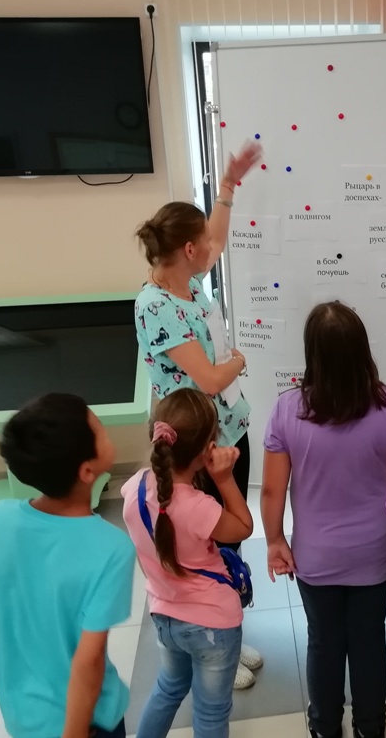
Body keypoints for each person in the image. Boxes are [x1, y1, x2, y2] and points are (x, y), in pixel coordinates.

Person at [134, 141, 263, 689]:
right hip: (195, 443)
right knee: (205, 543)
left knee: (228, 539)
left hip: (226, 429)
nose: (212, 247)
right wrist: (238, 360)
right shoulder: (156, 305)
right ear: (187, 249)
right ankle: (213, 642)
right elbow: (209, 379)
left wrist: (228, 186)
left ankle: (227, 624)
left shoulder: (186, 283)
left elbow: (218, 237)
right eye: (203, 243)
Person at [0, 394, 135, 738]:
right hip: (89, 723)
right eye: (101, 431)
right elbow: (88, 661)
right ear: (87, 471)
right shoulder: (112, 548)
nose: (107, 433)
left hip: (24, 720)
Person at [262, 302, 386, 738]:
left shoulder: (287, 409)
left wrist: (274, 540)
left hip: (314, 556)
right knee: (368, 641)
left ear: (312, 353)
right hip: (375, 552)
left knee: (323, 642)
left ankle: (324, 727)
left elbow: (272, 490)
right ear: (362, 349)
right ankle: (371, 727)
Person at [121, 389, 253, 738]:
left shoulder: (133, 489)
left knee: (168, 688)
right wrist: (224, 479)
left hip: (164, 616)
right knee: (210, 714)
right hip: (212, 624)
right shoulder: (199, 507)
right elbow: (243, 527)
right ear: (208, 449)